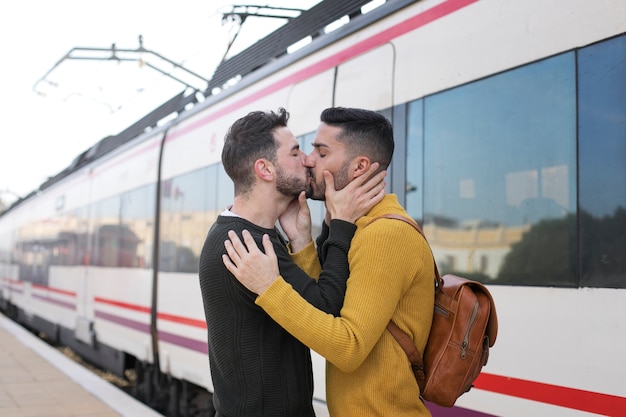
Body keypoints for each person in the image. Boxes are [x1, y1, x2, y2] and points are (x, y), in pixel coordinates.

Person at [223, 107, 436, 417]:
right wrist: (304, 242)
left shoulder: (386, 234)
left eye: (321, 153)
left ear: (359, 167)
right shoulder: (360, 227)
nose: (308, 160)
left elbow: (348, 348)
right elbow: (329, 305)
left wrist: (269, 288)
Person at [198, 107, 387, 416]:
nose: (307, 160)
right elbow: (327, 308)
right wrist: (341, 224)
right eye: (296, 151)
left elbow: (306, 306)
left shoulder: (256, 235)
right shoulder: (245, 244)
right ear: (266, 170)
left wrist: (301, 240)